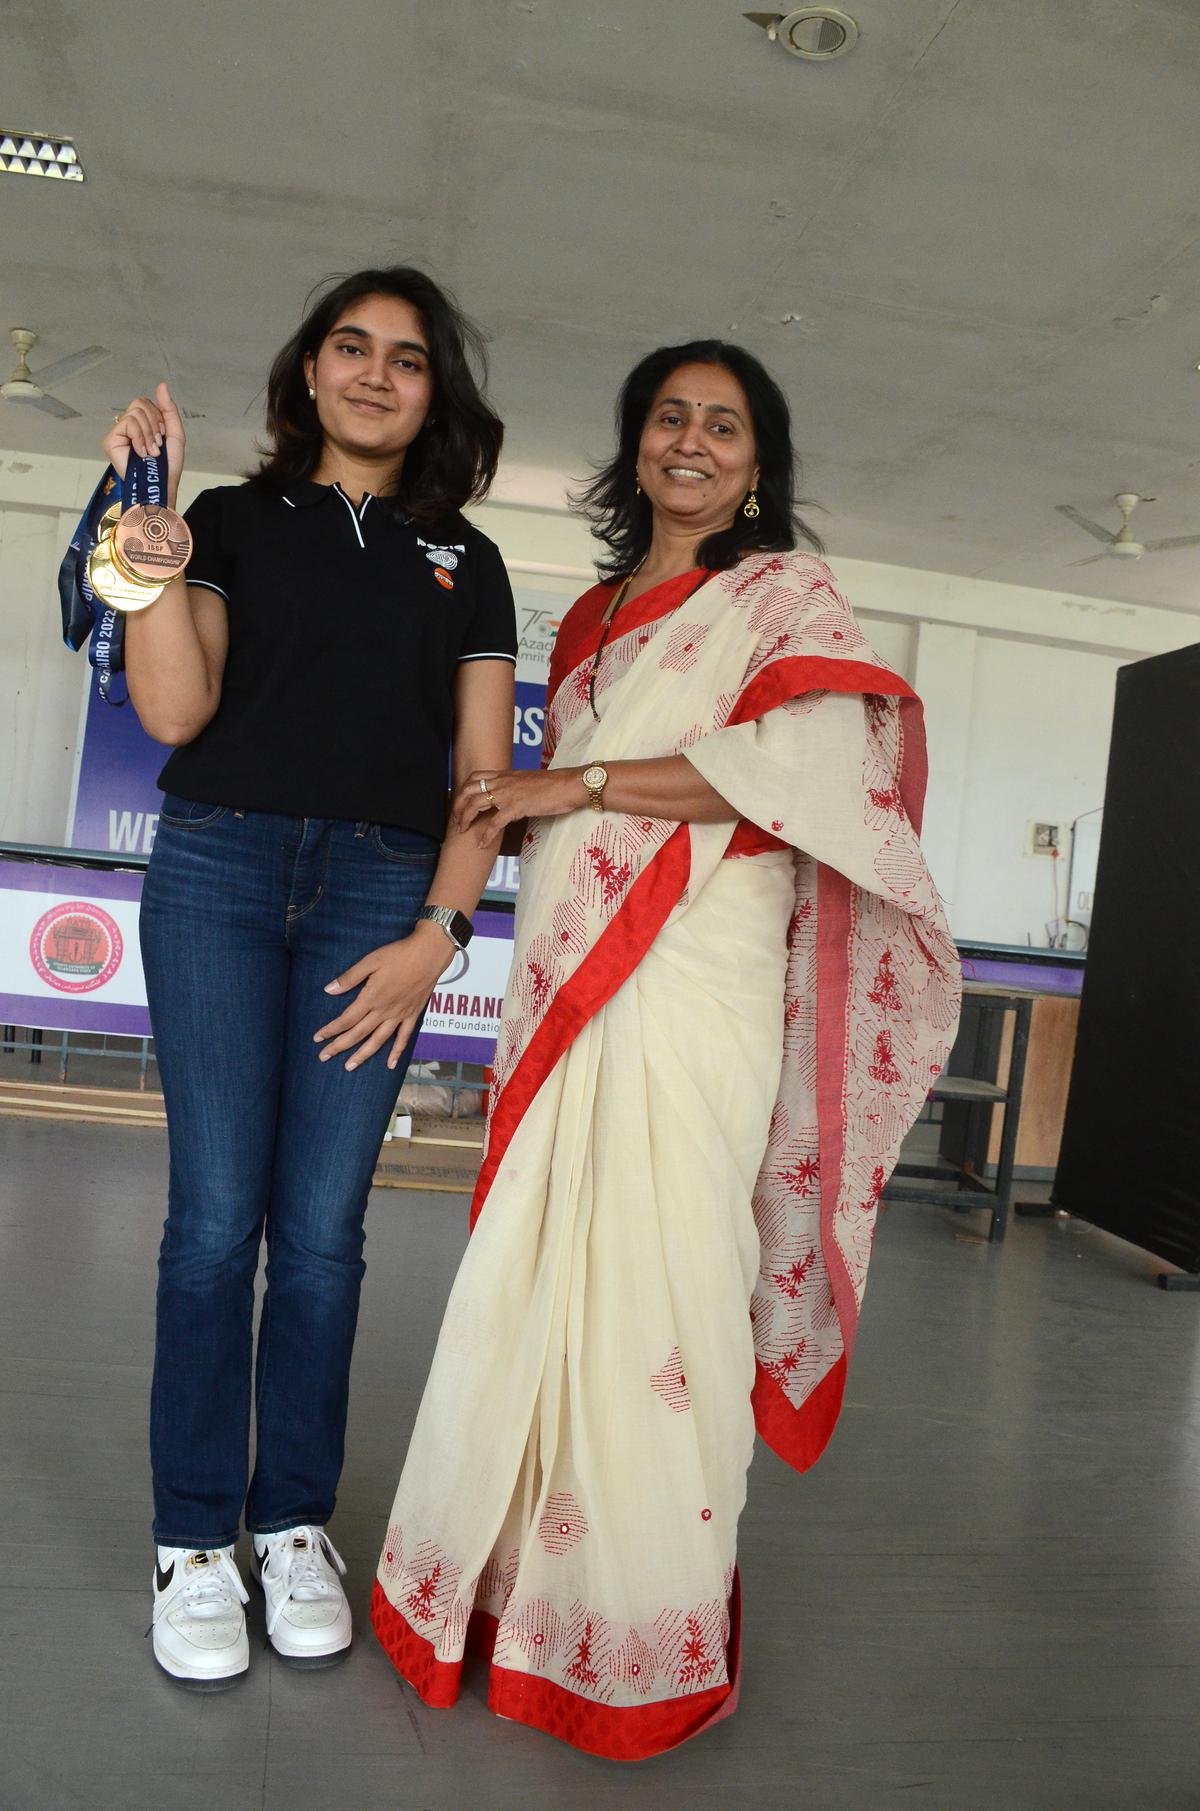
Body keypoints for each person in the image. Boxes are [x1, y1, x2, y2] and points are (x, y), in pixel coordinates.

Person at [369, 339, 962, 1759]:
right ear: (636, 445)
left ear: (761, 467)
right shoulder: (587, 619)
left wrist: (560, 782)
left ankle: (635, 1633)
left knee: (668, 1294)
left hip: (695, 989)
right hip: (568, 983)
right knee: (543, 1270)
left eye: (726, 427)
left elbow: (791, 779)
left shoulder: (780, 600)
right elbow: (533, 805)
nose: (693, 443)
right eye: (669, 420)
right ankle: (515, 1599)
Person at [105, 267, 517, 1688]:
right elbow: (173, 705)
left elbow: (482, 777)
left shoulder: (468, 557)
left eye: (407, 358)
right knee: (217, 1225)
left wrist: (441, 933)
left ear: (433, 394)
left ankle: (291, 1525)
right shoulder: (225, 520)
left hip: (379, 898)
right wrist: (139, 553)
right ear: (309, 371)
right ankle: (191, 1540)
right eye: (354, 346)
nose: (377, 373)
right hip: (216, 873)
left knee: (327, 1235)